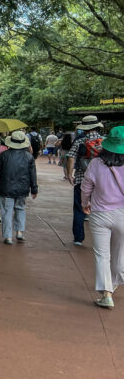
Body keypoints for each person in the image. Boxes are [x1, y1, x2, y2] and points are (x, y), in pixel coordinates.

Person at [81, 126, 124, 308]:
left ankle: (106, 293)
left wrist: (85, 204)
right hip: (122, 213)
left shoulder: (96, 164)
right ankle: (114, 283)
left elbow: (86, 187)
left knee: (102, 255)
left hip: (99, 214)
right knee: (120, 253)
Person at [0, 130, 38, 244]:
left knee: (7, 212)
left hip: (5, 188)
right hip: (22, 189)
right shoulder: (29, 157)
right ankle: (19, 232)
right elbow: (33, 174)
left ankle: (8, 237)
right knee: (20, 209)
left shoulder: (4, 155)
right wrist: (34, 188)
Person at [66, 116, 105, 247]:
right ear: (97, 126)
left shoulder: (80, 141)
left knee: (79, 209)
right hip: (102, 182)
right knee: (101, 210)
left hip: (82, 179)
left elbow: (71, 158)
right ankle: (101, 239)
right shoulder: (105, 141)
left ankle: (78, 238)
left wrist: (70, 174)